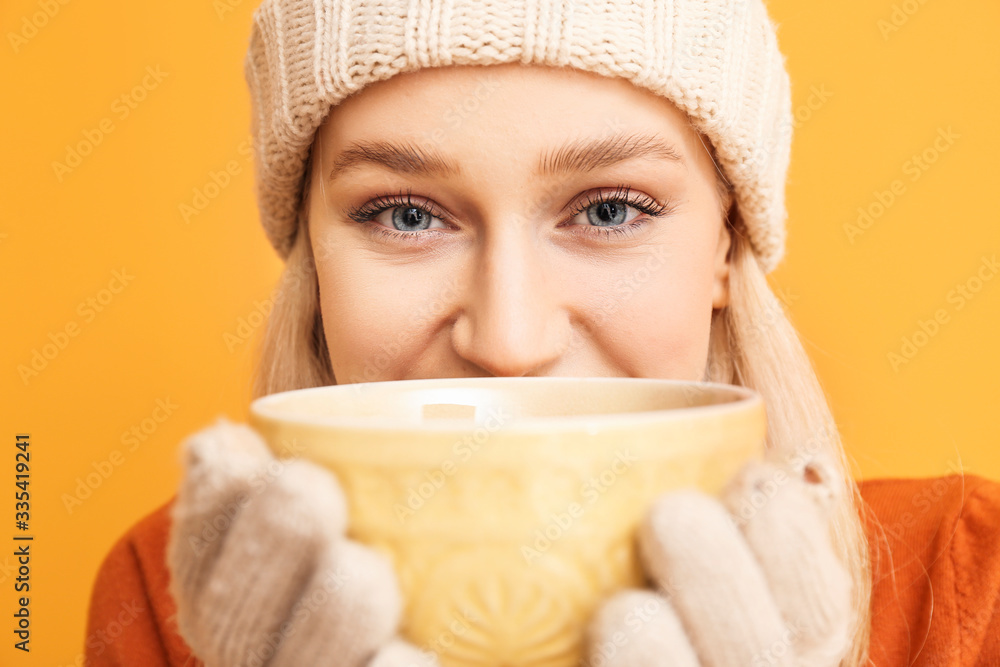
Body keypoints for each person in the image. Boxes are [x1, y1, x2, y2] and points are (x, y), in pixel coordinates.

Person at [84, 0, 1000, 665]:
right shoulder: (170, 603)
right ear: (314, 265)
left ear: (726, 247)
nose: (510, 342)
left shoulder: (968, 585)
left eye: (609, 208)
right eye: (404, 215)